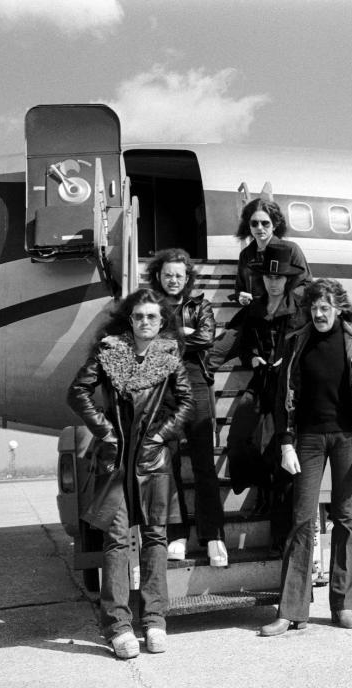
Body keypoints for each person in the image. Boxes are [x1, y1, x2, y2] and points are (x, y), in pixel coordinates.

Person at [67, 288, 194, 659]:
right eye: (139, 316)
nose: (145, 322)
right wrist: (105, 431)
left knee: (155, 537)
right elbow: (78, 393)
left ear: (162, 321)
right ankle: (118, 626)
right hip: (116, 458)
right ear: (130, 319)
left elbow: (187, 402)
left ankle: (155, 620)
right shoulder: (109, 353)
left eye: (152, 317)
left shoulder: (169, 357)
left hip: (153, 459)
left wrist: (160, 435)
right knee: (117, 539)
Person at [260, 278, 352, 636]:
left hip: (347, 437)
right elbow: (284, 397)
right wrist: (285, 443)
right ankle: (291, 611)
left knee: (345, 518)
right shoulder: (297, 342)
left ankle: (344, 605)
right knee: (301, 519)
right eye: (314, 308)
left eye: (325, 308)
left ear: (339, 308)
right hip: (309, 439)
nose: (318, 314)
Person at [146, 249, 227, 567]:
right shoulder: (148, 307)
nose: (174, 279)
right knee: (171, 465)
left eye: (179, 274)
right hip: (163, 392)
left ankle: (214, 536)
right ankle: (177, 533)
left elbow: (207, 337)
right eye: (168, 274)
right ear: (159, 276)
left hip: (195, 388)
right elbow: (145, 337)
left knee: (205, 465)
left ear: (187, 277)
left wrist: (167, 338)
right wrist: (184, 336)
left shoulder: (200, 305)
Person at [226, 242, 308, 542]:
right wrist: (253, 359)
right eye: (269, 278)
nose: (273, 283)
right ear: (263, 279)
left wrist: (289, 359)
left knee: (280, 453)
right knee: (239, 436)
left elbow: (307, 348)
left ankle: (280, 533)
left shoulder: (300, 311)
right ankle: (257, 485)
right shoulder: (256, 309)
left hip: (287, 388)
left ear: (287, 280)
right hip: (261, 382)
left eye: (279, 278)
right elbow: (244, 346)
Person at [207, 198, 311, 373]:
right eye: (254, 223)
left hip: (283, 322)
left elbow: (306, 285)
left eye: (265, 223)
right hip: (253, 319)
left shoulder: (290, 249)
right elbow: (240, 288)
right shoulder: (246, 255)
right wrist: (241, 297)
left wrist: (279, 301)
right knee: (208, 357)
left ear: (275, 224)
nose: (260, 228)